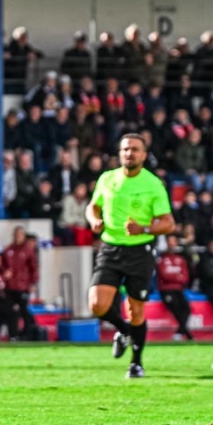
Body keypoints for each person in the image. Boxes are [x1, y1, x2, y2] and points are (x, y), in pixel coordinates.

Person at [86, 134, 174, 378]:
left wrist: (144, 228)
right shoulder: (107, 178)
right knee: (97, 304)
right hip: (111, 247)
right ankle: (124, 331)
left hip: (140, 251)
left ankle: (136, 363)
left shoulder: (153, 184)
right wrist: (94, 220)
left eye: (135, 149)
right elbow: (93, 206)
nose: (129, 153)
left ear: (144, 155)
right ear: (119, 153)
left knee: (136, 309)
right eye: (125, 149)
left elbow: (168, 223)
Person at [0, 226, 38, 341]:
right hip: (10, 286)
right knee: (11, 311)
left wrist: (32, 283)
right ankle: (13, 335)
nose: (18, 236)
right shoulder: (8, 250)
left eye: (20, 234)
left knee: (24, 311)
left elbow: (33, 269)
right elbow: (2, 267)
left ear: (23, 236)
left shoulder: (28, 251)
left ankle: (26, 335)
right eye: (16, 234)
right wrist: (4, 276)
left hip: (23, 286)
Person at [156, 234, 193, 342]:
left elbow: (185, 277)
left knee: (187, 309)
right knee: (176, 308)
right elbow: (164, 275)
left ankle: (180, 332)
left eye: (174, 241)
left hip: (178, 289)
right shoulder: (162, 258)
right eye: (170, 241)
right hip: (166, 289)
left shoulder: (180, 259)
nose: (172, 243)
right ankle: (186, 334)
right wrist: (177, 276)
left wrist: (174, 276)